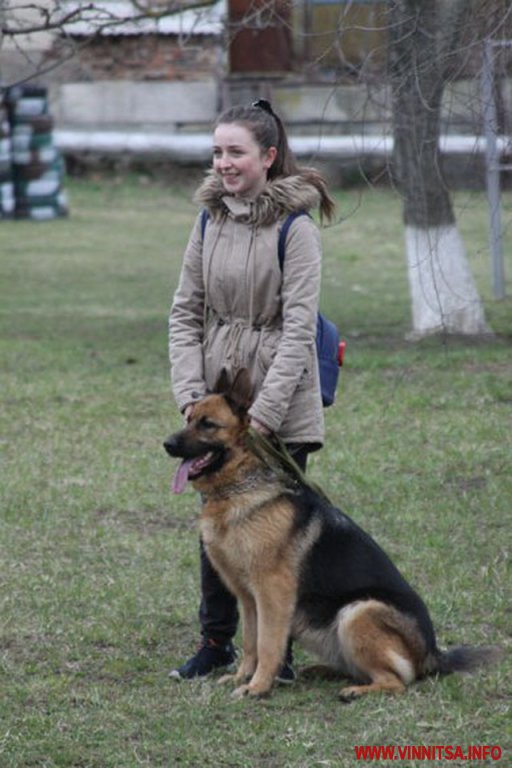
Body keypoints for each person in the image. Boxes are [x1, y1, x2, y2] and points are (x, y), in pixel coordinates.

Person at [168, 99, 335, 681]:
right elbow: (185, 311)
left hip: (278, 404)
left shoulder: (297, 229)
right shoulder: (208, 219)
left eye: (235, 152)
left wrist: (262, 415)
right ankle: (216, 643)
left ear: (267, 156)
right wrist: (193, 392)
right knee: (216, 522)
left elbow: (299, 331)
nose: (223, 163)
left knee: (272, 538)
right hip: (216, 397)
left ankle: (277, 658)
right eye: (216, 152)